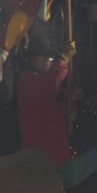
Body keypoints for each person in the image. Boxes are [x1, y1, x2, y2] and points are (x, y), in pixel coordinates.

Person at [17, 27, 74, 167]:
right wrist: (62, 60)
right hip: (41, 151)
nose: (46, 60)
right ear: (31, 59)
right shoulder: (27, 79)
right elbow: (47, 87)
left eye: (49, 57)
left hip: (55, 147)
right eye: (39, 56)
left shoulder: (48, 81)